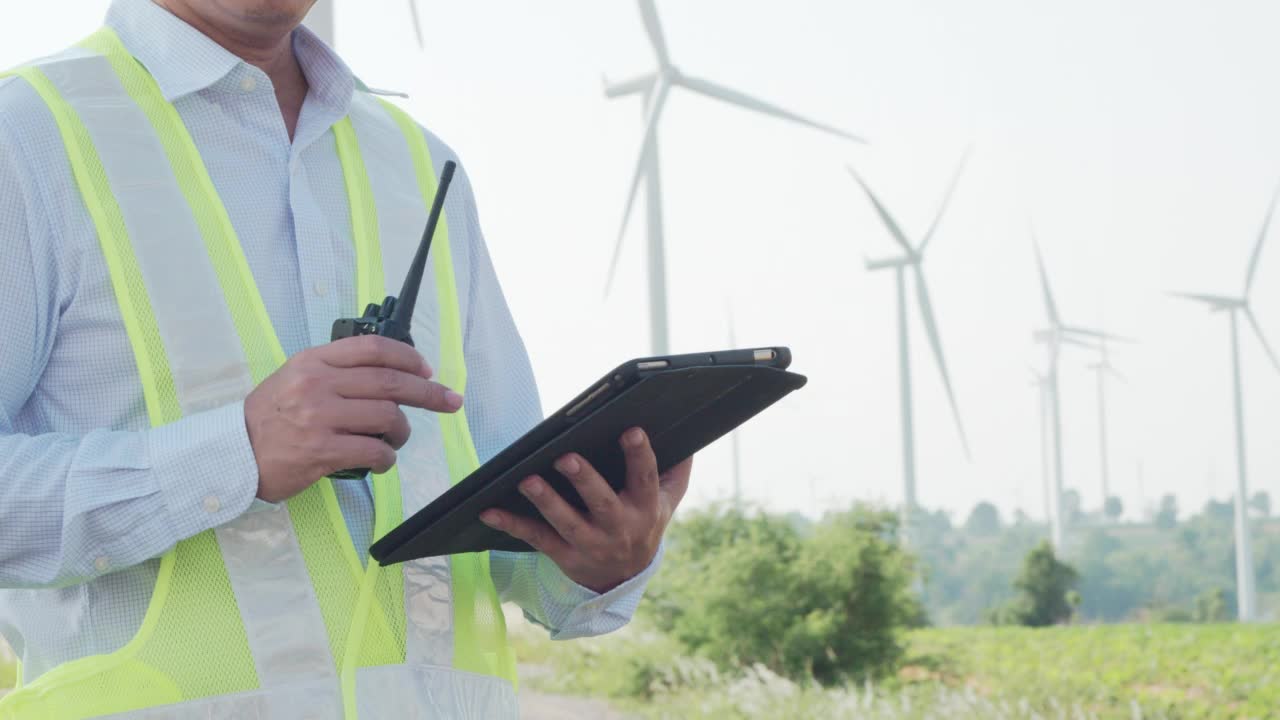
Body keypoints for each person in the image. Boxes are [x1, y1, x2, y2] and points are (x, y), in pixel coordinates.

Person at [0, 0, 693, 717]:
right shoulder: (24, 138)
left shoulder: (423, 166)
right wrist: (232, 455)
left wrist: (598, 560)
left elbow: (505, 519)